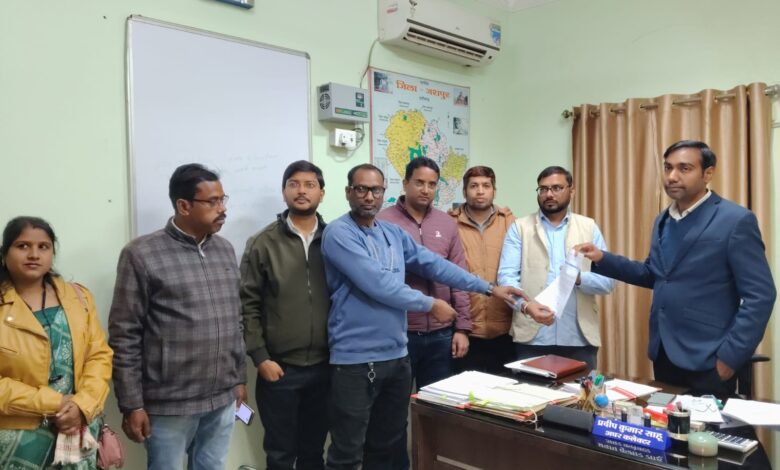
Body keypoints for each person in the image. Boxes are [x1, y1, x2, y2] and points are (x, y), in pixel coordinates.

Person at [321, 163, 526, 470]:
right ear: (349, 192)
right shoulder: (339, 233)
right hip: (356, 360)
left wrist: (488, 288)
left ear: (384, 193)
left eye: (376, 190)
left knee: (388, 445)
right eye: (361, 189)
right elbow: (379, 284)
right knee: (347, 451)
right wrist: (430, 304)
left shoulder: (390, 233)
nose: (369, 196)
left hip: (396, 356)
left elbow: (434, 264)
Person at [577, 140, 776, 396]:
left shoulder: (735, 220)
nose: (672, 176)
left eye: (684, 168)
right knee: (666, 421)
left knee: (708, 423)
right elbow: (655, 275)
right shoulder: (663, 220)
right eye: (668, 167)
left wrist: (730, 357)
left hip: (710, 357)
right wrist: (602, 258)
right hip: (664, 353)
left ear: (708, 173)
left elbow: (761, 295)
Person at [109, 164, 247, 470]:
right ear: (183, 206)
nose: (222, 209)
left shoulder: (225, 250)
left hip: (222, 398)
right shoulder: (141, 254)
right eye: (212, 202)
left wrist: (238, 379)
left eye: (223, 200)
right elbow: (124, 335)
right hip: (169, 403)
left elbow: (235, 320)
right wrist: (132, 404)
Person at [377, 157, 470, 470]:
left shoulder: (447, 223)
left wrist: (462, 328)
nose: (426, 190)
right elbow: (380, 282)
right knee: (392, 418)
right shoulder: (383, 222)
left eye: (432, 184)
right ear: (405, 183)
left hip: (441, 338)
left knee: (437, 414)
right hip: (399, 337)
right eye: (419, 182)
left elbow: (459, 276)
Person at [0, 216, 112, 469]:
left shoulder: (78, 297)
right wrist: (55, 403)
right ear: (5, 253)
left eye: (43, 247)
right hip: (18, 441)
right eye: (22, 246)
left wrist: (82, 406)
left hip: (77, 429)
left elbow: (99, 356)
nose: (34, 254)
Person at [240, 160, 330, 469]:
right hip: (279, 369)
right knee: (280, 453)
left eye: (309, 185)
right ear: (284, 192)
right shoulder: (262, 242)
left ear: (322, 193)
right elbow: (247, 304)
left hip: (326, 367)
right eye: (294, 184)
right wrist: (260, 357)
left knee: (313, 451)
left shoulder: (335, 239)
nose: (301, 191)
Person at [497, 166, 614, 370]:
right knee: (529, 390)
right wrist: (525, 306)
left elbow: (608, 282)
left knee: (580, 391)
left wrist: (579, 278)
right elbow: (506, 279)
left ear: (572, 191)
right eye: (543, 189)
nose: (549, 194)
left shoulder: (589, 227)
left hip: (579, 339)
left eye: (557, 188)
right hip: (532, 337)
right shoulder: (520, 228)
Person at [450, 166, 517, 374]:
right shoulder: (449, 223)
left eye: (486, 186)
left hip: (505, 330)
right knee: (465, 391)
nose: (480, 191)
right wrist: (460, 327)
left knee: (504, 390)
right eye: (474, 186)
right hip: (465, 330)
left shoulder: (510, 222)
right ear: (464, 192)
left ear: (494, 191)